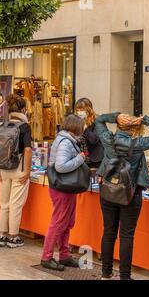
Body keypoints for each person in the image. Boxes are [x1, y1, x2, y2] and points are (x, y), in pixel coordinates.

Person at [95, 113, 149, 280]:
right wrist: (145, 119)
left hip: (108, 192)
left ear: (118, 125)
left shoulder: (108, 140)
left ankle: (106, 274)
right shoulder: (138, 144)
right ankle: (125, 277)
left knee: (109, 232)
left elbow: (99, 120)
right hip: (130, 195)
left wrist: (116, 116)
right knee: (127, 235)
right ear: (136, 129)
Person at [41, 115, 86, 271]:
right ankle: (46, 257)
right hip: (62, 188)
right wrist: (80, 159)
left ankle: (64, 255)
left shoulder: (66, 140)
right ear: (76, 127)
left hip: (65, 187)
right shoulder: (66, 142)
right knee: (58, 222)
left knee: (66, 222)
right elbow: (60, 166)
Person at [0, 94, 32, 249]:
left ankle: (2, 235)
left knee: (4, 204)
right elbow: (28, 150)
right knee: (15, 204)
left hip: (3, 168)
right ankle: (13, 237)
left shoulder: (3, 125)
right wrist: (28, 171)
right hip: (19, 168)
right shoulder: (24, 127)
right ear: (23, 109)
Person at [75, 98, 104, 168]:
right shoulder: (77, 120)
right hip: (81, 157)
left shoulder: (98, 120)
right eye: (77, 110)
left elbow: (94, 140)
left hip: (94, 159)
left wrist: (85, 129)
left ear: (88, 109)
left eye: (81, 110)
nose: (79, 112)